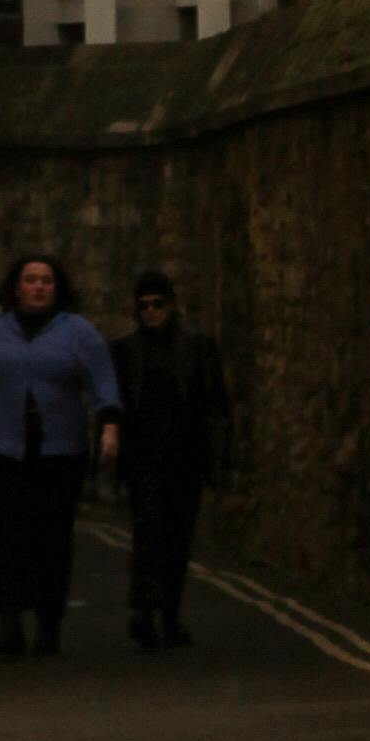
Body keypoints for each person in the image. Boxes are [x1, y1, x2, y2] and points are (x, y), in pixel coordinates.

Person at [0, 251, 123, 657]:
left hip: (59, 452)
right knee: (6, 535)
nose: (39, 286)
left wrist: (110, 427)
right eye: (31, 279)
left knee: (52, 538)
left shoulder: (78, 332)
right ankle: (8, 620)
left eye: (47, 281)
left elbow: (103, 384)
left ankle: (48, 622)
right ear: (16, 287)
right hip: (0, 450)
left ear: (57, 289)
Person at [111, 269, 233, 649]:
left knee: (178, 539)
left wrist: (217, 455)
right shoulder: (125, 350)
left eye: (157, 305)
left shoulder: (198, 346)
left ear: (172, 305)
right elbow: (115, 404)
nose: (150, 312)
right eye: (144, 306)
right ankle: (145, 612)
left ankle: (168, 613)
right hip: (144, 457)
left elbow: (215, 404)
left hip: (185, 457)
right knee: (148, 533)